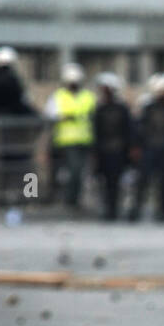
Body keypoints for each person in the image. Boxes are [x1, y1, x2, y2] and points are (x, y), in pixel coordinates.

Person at [129, 73, 164, 222]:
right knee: (143, 181)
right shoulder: (149, 107)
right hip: (150, 149)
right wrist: (137, 147)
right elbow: (140, 129)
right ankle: (136, 209)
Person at [45, 63, 95, 210]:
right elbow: (50, 114)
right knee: (72, 171)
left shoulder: (88, 96)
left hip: (84, 140)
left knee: (80, 173)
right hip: (65, 141)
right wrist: (64, 117)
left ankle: (74, 200)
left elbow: (93, 115)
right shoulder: (58, 96)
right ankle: (69, 201)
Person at [92, 72, 133, 221]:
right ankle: (107, 209)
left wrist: (129, 150)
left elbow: (128, 130)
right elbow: (96, 132)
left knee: (116, 182)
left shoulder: (122, 109)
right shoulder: (99, 109)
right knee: (104, 182)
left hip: (118, 151)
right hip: (103, 151)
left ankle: (115, 209)